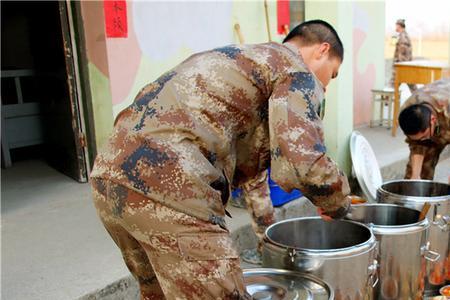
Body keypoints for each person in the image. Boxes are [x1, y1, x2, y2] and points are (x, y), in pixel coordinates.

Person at [90, 19, 352, 299]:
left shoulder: (242, 58)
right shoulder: (296, 70)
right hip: (171, 184)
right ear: (322, 50)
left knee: (160, 294)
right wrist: (339, 204)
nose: (326, 85)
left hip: (109, 177)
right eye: (332, 74)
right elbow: (304, 163)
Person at [398, 78, 450, 180]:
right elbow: (417, 145)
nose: (422, 140)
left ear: (433, 120)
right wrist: (415, 176)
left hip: (446, 117)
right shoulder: (408, 111)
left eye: (424, 136)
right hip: (435, 127)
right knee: (415, 178)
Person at [391, 18, 416, 92]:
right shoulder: (403, 35)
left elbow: (403, 54)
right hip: (405, 66)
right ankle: (419, 99)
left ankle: (387, 101)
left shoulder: (403, 37)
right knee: (411, 85)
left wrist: (399, 66)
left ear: (399, 26)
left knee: (393, 84)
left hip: (402, 66)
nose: (395, 27)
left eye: (396, 25)